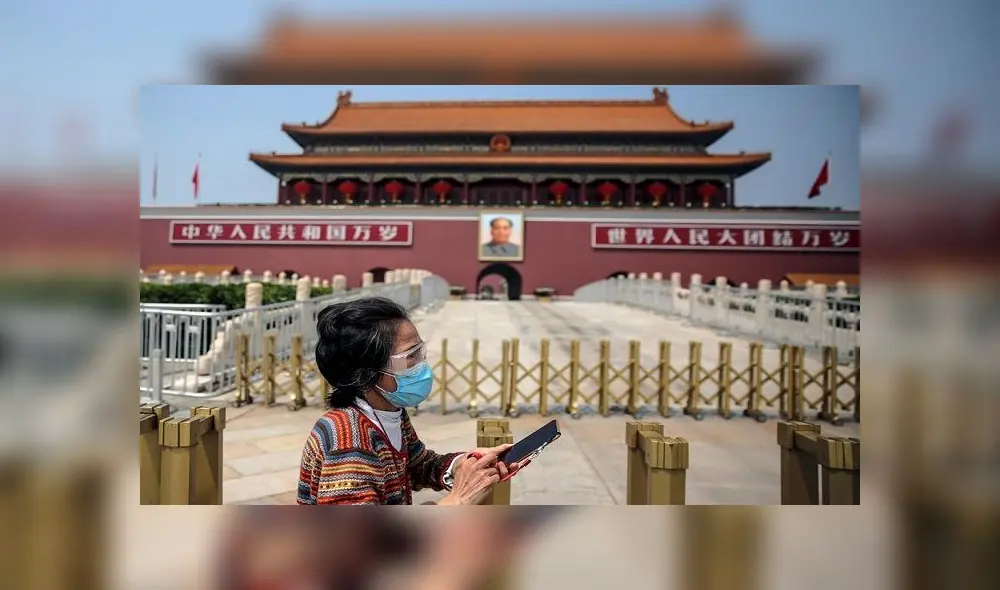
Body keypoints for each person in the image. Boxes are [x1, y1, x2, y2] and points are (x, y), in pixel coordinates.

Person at [297, 297, 527, 505]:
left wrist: (467, 464)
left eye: (420, 352)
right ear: (367, 372)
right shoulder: (348, 442)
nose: (422, 364)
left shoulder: (388, 411)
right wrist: (458, 500)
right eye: (410, 356)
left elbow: (418, 464)